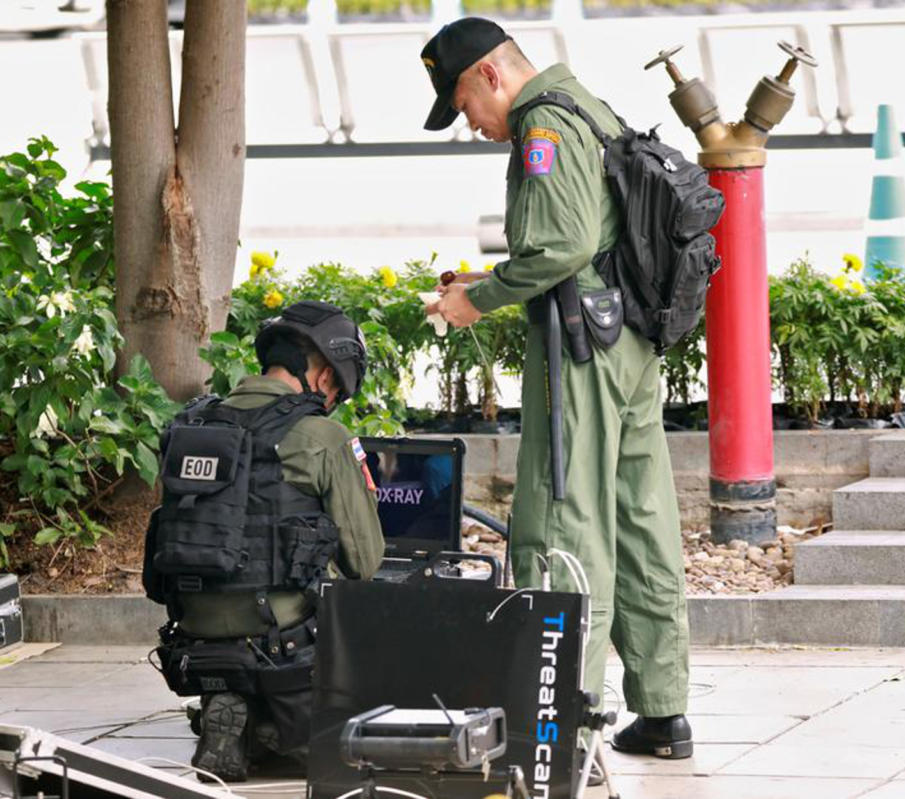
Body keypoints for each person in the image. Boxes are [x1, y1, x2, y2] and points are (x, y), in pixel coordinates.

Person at [419, 18, 693, 759]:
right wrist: (487, 282)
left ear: (489, 76)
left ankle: (562, 717)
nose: (471, 126)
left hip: (580, 347)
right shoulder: (586, 103)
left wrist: (475, 300)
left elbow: (564, 244)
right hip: (629, 336)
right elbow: (589, 237)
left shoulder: (543, 123)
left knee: (563, 517)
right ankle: (664, 711)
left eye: (463, 106)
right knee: (640, 517)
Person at [144, 301, 385, 781]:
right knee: (362, 607)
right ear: (323, 375)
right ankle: (271, 734)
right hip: (284, 640)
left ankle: (229, 709)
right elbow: (365, 561)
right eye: (337, 387)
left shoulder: (191, 425)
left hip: (193, 632)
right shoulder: (320, 434)